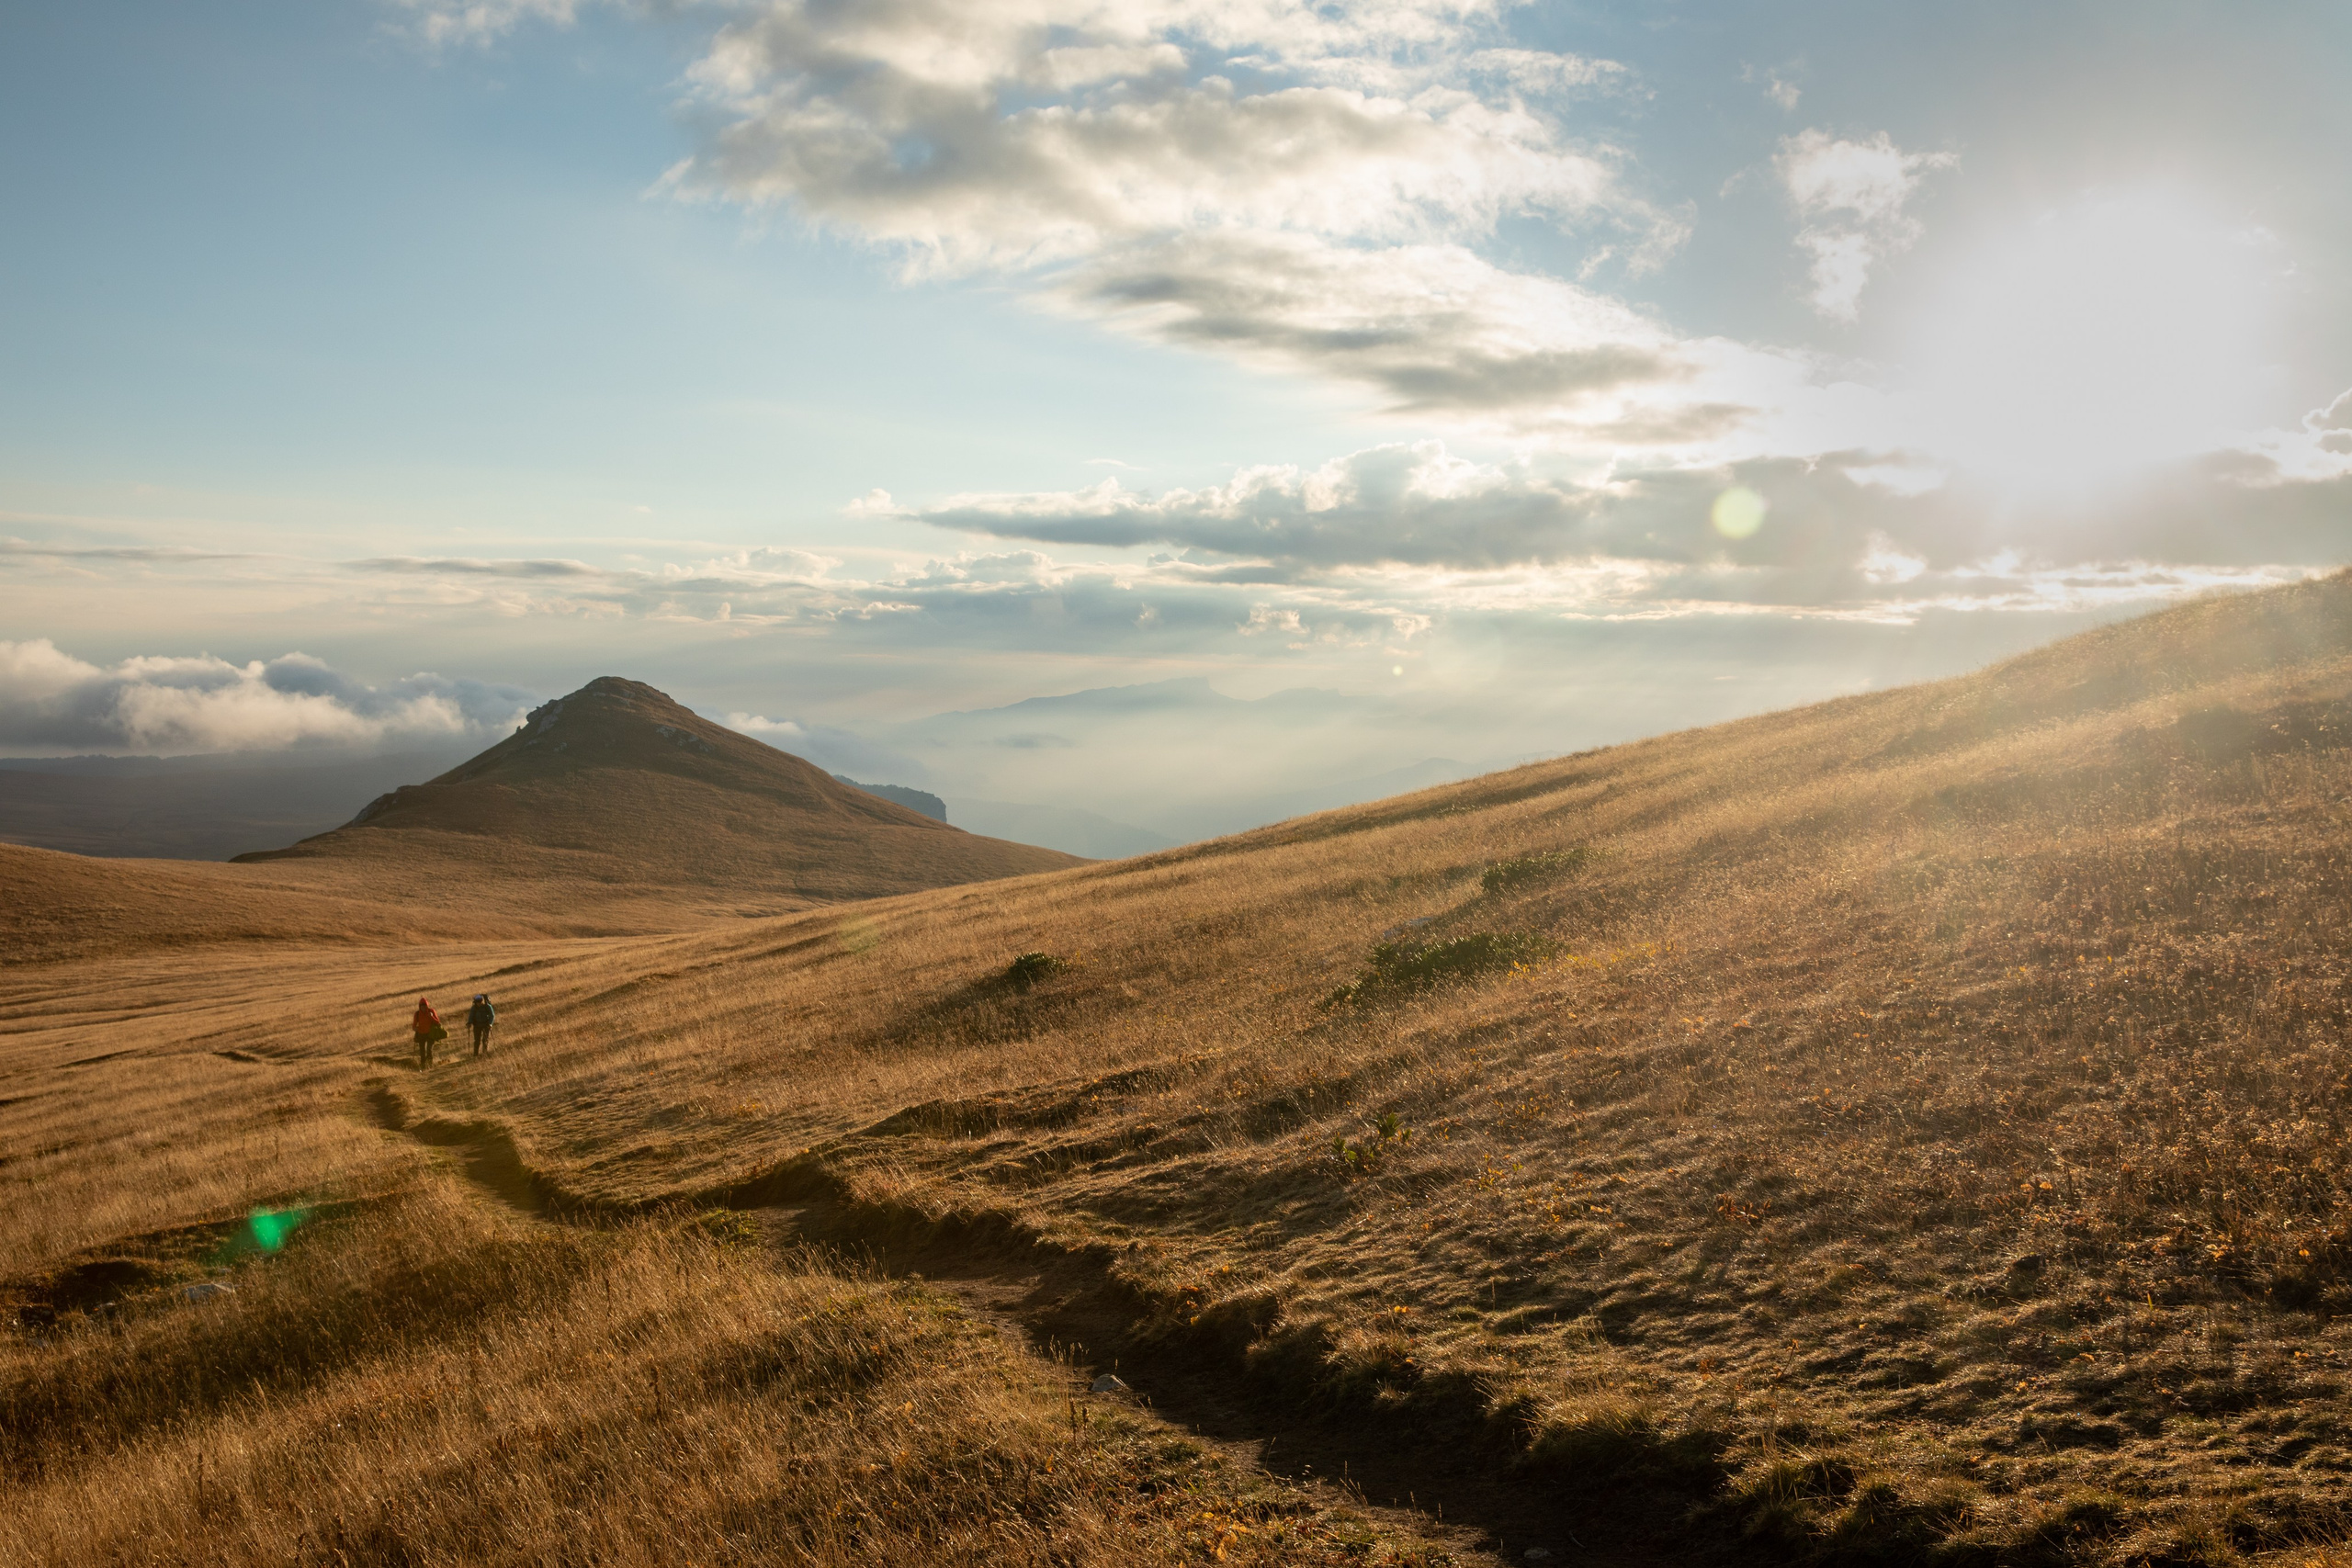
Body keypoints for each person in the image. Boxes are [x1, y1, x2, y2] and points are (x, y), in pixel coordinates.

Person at [412, 997, 444, 1068]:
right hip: (421, 1034)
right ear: (420, 1007)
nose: (424, 1008)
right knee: (422, 1052)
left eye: (425, 1006)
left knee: (429, 1050)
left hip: (430, 1034)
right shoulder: (417, 1014)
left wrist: (431, 1017)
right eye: (422, 1006)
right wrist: (415, 1029)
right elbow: (413, 1026)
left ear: (427, 1006)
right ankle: (423, 1066)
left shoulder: (431, 1011)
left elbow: (438, 1022)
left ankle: (430, 1065)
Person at [467, 994, 496, 1058]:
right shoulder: (474, 1008)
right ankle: (475, 1054)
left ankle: (484, 1053)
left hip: (486, 1025)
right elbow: (471, 1016)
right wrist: (469, 1023)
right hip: (477, 1025)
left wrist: (490, 1024)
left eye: (480, 1002)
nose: (479, 1004)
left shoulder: (487, 1006)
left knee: (485, 1039)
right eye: (478, 1002)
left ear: (483, 1001)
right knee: (477, 1040)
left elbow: (492, 1016)